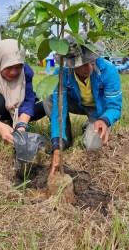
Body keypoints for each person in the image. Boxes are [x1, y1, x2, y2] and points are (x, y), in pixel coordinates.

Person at [43, 37, 122, 176]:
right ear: (70, 64)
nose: (89, 67)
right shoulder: (61, 74)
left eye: (91, 61)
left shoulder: (108, 71)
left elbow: (115, 107)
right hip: (75, 103)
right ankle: (65, 136)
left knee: (91, 146)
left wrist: (104, 120)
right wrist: (57, 144)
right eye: (82, 64)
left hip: (98, 109)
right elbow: (59, 110)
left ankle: (91, 123)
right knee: (49, 98)